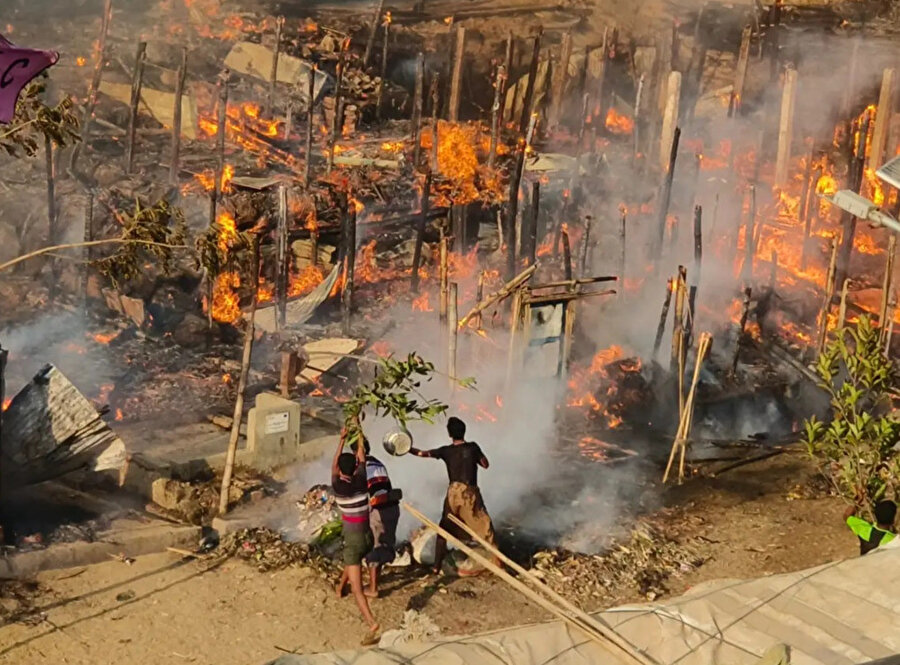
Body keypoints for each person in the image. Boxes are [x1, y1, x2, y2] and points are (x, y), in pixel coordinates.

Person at [409, 416, 500, 575]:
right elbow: (485, 464)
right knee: (485, 528)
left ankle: (436, 566)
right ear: (464, 432)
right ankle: (499, 565)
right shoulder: (472, 448)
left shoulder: (446, 451)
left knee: (444, 529)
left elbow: (423, 453)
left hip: (453, 493)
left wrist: (407, 448)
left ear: (450, 434)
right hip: (468, 493)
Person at [331, 431, 379, 644]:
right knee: (352, 562)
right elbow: (361, 457)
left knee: (358, 589)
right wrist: (359, 432)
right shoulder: (361, 481)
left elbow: (334, 466)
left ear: (341, 470)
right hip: (368, 537)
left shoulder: (339, 487)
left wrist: (342, 439)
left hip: (353, 539)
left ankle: (371, 623)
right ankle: (340, 588)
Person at [351, 437, 401, 598]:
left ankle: (373, 588)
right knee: (384, 544)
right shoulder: (379, 463)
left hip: (379, 512)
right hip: (392, 509)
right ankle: (375, 580)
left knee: (373, 547)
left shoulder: (361, 468)